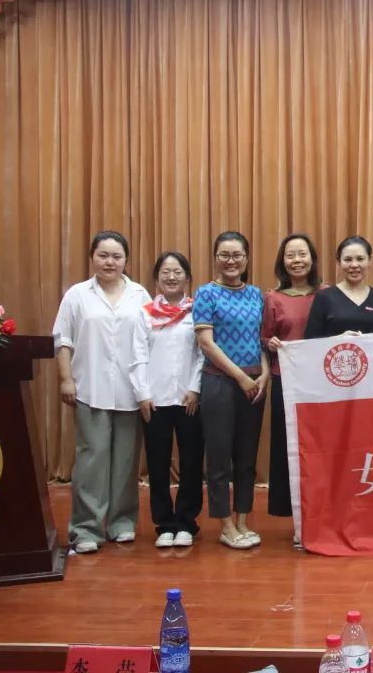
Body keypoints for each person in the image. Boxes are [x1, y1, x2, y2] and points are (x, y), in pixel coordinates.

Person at [52, 230, 151, 554]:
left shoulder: (139, 295)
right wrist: (66, 379)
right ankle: (86, 529)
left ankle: (122, 523)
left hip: (130, 392)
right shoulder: (77, 295)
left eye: (116, 256)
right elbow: (62, 340)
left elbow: (151, 341)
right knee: (91, 459)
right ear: (92, 257)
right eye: (103, 255)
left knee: (125, 462)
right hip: (90, 388)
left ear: (126, 260)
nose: (110, 262)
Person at [193, 231, 268, 550]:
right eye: (224, 255)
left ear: (247, 259)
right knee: (220, 456)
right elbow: (206, 343)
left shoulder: (256, 295)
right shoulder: (206, 293)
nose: (231, 261)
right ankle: (225, 525)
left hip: (254, 384)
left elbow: (261, 339)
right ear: (215, 259)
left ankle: (242, 520)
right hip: (220, 383)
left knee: (247, 457)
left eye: (237, 255)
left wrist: (265, 374)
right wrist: (240, 377)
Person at [130, 251, 204, 548]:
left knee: (192, 461)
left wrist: (195, 388)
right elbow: (137, 355)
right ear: (156, 278)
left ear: (187, 278)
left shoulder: (197, 311)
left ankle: (186, 521)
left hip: (189, 399)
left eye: (177, 272)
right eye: (165, 272)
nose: (171, 277)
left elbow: (202, 353)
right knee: (157, 463)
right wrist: (142, 393)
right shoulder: (145, 313)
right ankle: (164, 523)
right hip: (155, 400)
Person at [261, 233, 325, 520]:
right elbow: (265, 336)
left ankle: (321, 508)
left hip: (321, 382)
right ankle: (290, 511)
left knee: (319, 445)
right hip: (284, 381)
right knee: (286, 444)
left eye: (302, 254)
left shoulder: (327, 294)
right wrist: (270, 342)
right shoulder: (272, 298)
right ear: (282, 262)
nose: (297, 260)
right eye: (290, 255)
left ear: (312, 259)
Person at [304, 236, 373, 338]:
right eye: (348, 260)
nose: (354, 265)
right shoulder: (324, 297)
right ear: (339, 262)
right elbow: (310, 340)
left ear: (369, 260)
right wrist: (338, 340)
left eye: (360, 259)